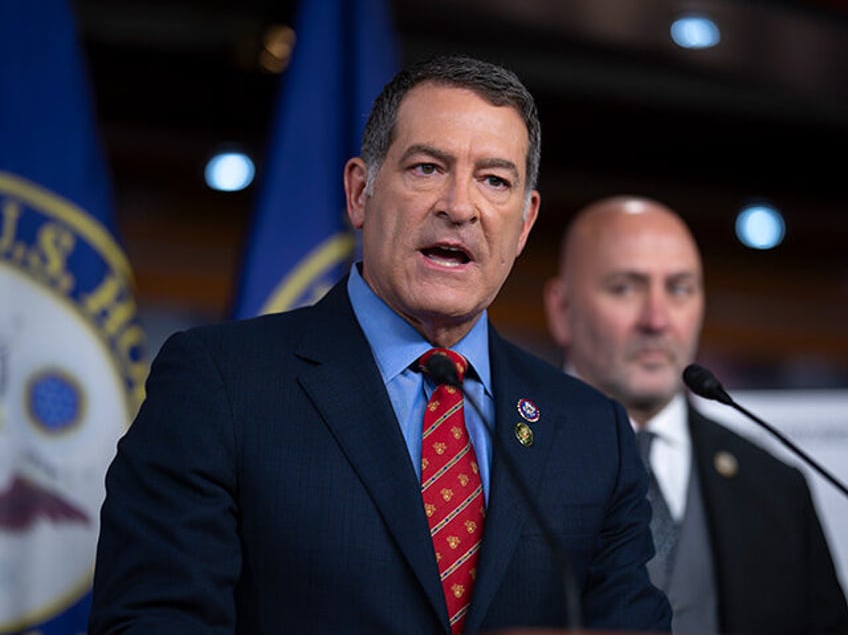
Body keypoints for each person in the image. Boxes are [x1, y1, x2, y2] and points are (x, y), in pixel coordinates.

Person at [88, 56, 671, 634]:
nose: (460, 206)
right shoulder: (220, 385)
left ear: (523, 224)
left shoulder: (594, 432)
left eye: (495, 180)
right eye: (427, 168)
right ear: (361, 193)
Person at [543, 195, 848, 634]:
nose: (657, 319)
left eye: (680, 288)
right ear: (562, 310)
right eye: (625, 287)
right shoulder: (497, 457)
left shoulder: (776, 488)